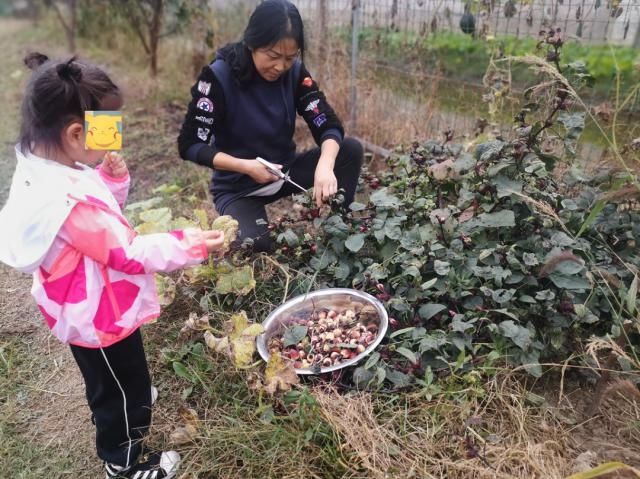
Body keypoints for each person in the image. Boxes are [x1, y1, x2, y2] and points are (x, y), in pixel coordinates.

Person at [0, 52, 226, 479]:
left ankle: (131, 400)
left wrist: (110, 182)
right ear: (74, 132)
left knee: (115, 379)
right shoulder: (67, 199)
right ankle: (122, 460)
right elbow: (126, 250)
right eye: (107, 129)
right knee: (118, 388)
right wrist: (190, 243)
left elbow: (96, 224)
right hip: (98, 312)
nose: (114, 139)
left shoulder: (48, 165)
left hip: (88, 301)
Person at [178, 0, 364, 252]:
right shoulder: (218, 77)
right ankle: (247, 224)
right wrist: (245, 166)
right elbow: (190, 144)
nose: (280, 66)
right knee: (254, 244)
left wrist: (325, 165)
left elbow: (326, 123)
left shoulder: (295, 74)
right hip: (239, 186)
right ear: (252, 43)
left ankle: (340, 234)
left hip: (283, 172)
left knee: (348, 151)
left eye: (290, 57)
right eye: (273, 56)